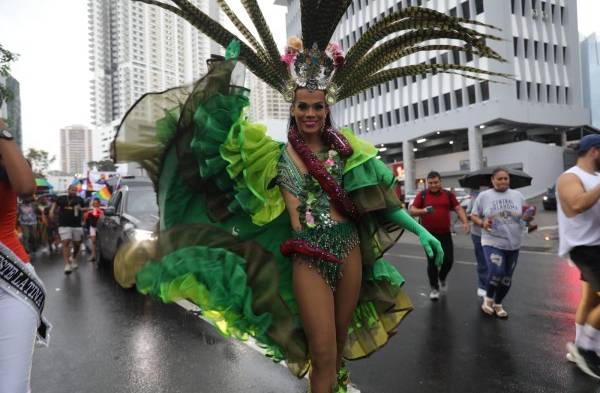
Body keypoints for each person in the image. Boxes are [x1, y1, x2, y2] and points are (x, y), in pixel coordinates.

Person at [111, 2, 503, 392]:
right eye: (302, 106)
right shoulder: (273, 156)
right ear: (293, 108)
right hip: (308, 258)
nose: (310, 113)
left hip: (348, 251)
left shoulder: (347, 150)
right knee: (322, 351)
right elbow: (215, 144)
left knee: (338, 347)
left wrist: (422, 232)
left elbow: (380, 201)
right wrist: (223, 75)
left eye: (317, 106)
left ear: (326, 108)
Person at [0, 118, 50, 393]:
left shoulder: (4, 152)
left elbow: (26, 187)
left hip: (10, 287)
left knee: (11, 388)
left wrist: (1, 131)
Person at [557, 135, 600, 379]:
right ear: (595, 151)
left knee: (591, 300)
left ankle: (580, 347)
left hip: (598, 244)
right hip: (584, 246)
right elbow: (576, 205)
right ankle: (587, 348)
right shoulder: (570, 177)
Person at [470, 168, 532, 318]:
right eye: (500, 179)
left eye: (506, 178)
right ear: (492, 180)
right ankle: (488, 300)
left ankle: (498, 303)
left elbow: (524, 216)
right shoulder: (484, 196)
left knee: (506, 278)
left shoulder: (518, 195)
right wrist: (482, 223)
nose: (503, 181)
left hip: (513, 243)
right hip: (492, 241)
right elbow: (473, 215)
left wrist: (527, 218)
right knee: (497, 272)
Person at [409, 171, 470, 300]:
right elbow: (412, 211)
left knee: (448, 260)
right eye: (430, 183)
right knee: (432, 262)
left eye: (436, 182)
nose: (433, 185)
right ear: (427, 183)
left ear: (440, 182)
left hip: (445, 234)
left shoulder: (448, 195)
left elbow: (458, 208)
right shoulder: (423, 195)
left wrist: (465, 222)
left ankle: (442, 277)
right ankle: (434, 288)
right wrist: (423, 210)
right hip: (428, 235)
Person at [50, 184, 86, 274]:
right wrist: (51, 211)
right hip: (64, 224)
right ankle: (67, 265)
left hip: (77, 225)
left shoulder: (80, 200)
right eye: (72, 190)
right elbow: (54, 205)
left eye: (75, 190)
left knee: (77, 244)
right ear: (68, 190)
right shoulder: (61, 198)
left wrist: (80, 209)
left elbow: (84, 209)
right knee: (66, 242)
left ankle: (73, 258)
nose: (73, 192)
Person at [466, 186, 488, 297]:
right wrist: (477, 217)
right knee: (482, 261)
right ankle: (483, 285)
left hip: (496, 235)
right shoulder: (474, 198)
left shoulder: (498, 198)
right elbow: (468, 213)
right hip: (478, 234)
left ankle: (493, 284)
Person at [85, 198, 103, 262]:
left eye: (97, 203)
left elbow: (102, 217)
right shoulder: (91, 210)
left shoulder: (102, 210)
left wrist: (99, 212)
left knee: (100, 242)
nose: (95, 204)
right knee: (93, 241)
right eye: (94, 203)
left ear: (99, 203)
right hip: (92, 227)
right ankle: (93, 255)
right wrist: (89, 212)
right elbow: (85, 218)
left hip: (100, 227)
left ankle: (100, 256)